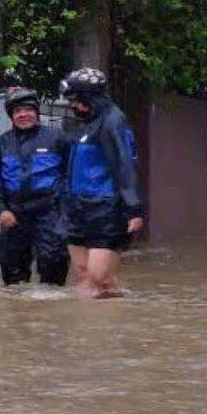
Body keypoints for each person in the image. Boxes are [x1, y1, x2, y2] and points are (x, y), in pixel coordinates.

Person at [59, 67, 146, 298]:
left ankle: (116, 320)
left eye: (77, 101)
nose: (74, 107)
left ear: (90, 98)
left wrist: (133, 208)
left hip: (106, 208)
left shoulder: (113, 121)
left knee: (100, 277)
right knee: (83, 273)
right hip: (77, 206)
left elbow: (124, 164)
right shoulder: (84, 123)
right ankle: (90, 326)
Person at [0, 86, 69, 286]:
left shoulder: (57, 138)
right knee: (12, 271)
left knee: (53, 262)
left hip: (50, 213)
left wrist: (66, 208)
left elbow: (71, 173)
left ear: (36, 112)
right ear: (11, 116)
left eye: (28, 110)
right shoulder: (1, 145)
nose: (23, 115)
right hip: (15, 214)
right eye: (17, 111)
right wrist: (1, 210)